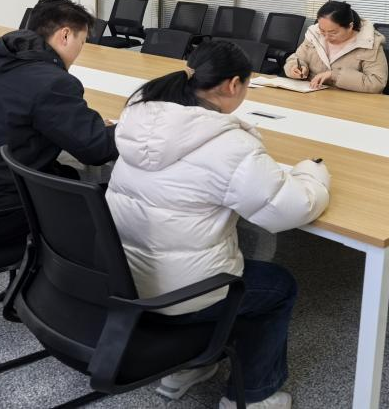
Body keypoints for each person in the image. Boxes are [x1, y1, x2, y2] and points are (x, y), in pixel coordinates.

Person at [106, 41, 331, 409]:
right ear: (233, 85)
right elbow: (289, 209)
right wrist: (312, 174)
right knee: (278, 286)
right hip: (180, 295)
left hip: (122, 279)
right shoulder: (227, 143)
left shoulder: (140, 120)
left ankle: (185, 367)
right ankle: (254, 396)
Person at [0, 0, 117, 245]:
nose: (80, 51)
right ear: (65, 35)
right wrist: (128, 128)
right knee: (102, 194)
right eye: (82, 42)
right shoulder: (53, 82)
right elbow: (96, 149)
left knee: (68, 170)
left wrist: (86, 124)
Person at [282, 1, 387, 93]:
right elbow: (297, 58)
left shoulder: (369, 43)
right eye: (322, 31)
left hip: (349, 101)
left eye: (333, 33)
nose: (326, 37)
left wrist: (334, 75)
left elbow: (376, 83)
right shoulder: (314, 34)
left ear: (350, 26)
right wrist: (294, 67)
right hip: (312, 96)